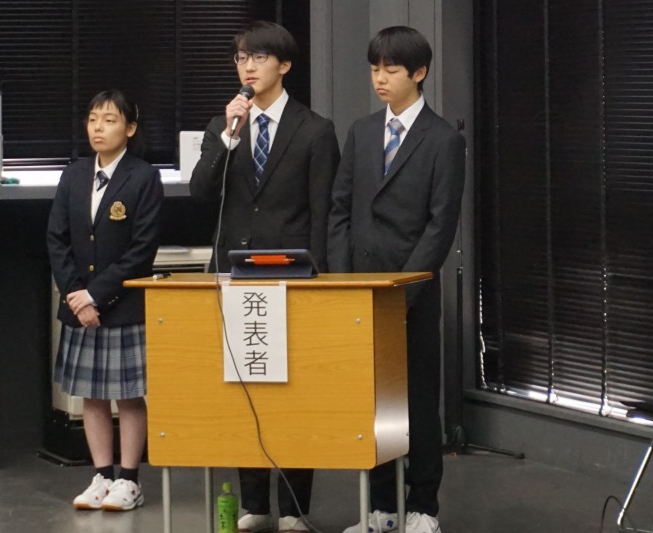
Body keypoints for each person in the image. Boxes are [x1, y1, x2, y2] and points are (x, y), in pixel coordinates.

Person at [190, 20, 340, 533]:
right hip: (235, 274)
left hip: (293, 277)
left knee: (293, 390)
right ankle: (254, 503)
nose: (248, 67)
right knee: (244, 384)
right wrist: (228, 138)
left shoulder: (315, 129)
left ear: (285, 65)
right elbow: (201, 193)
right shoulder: (224, 125)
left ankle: (295, 507)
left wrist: (319, 276)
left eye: (258, 57)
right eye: (241, 58)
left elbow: (323, 211)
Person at [330, 27, 465, 533]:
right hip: (359, 290)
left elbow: (440, 224)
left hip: (412, 292)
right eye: (374, 69)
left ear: (419, 73)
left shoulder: (443, 139)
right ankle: (382, 507)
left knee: (417, 402)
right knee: (372, 404)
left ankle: (423, 507)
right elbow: (340, 209)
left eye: (390, 69)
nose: (379, 78)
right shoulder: (362, 131)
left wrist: (404, 290)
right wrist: (344, 282)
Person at [47, 89, 163, 512]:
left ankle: (129, 480)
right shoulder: (74, 174)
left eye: (110, 120)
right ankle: (102, 476)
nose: (98, 128)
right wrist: (77, 297)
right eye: (93, 119)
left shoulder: (144, 177)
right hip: (79, 307)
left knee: (128, 395)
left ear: (130, 129)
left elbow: (142, 249)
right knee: (91, 395)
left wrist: (96, 295)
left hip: (123, 306)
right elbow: (57, 239)